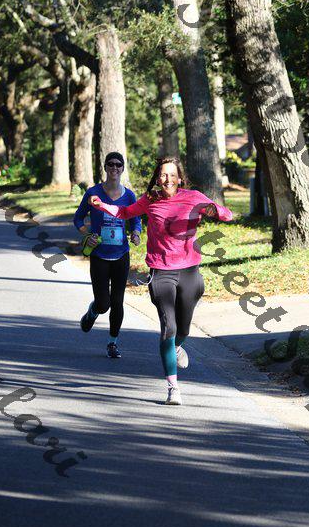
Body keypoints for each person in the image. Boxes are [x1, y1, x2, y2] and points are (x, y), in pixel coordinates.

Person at [89, 156, 233, 405]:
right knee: (169, 327)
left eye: (172, 175)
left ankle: (177, 347)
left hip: (189, 269)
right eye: (163, 175)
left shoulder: (194, 197)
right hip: (161, 270)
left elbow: (227, 215)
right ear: (157, 178)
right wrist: (102, 205)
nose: (167, 179)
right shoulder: (150, 200)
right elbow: (124, 213)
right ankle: (173, 387)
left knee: (183, 329)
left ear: (180, 178)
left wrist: (215, 211)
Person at [74, 152, 142, 359]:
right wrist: (87, 235)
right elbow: (78, 218)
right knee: (104, 303)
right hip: (99, 255)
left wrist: (136, 233)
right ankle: (93, 312)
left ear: (122, 169)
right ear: (105, 167)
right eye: (110, 164)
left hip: (121, 255)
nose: (114, 168)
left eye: (118, 165)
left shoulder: (129, 196)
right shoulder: (93, 193)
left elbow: (136, 220)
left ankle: (113, 342)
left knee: (118, 301)